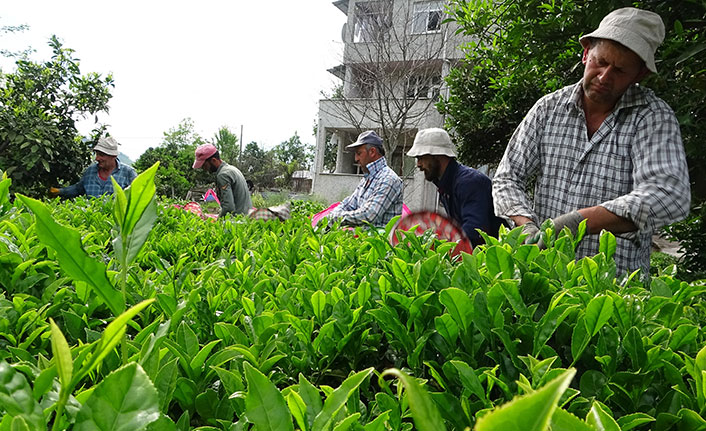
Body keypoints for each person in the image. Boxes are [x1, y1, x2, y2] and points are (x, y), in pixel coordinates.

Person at [492, 7, 690, 275]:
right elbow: (507, 177)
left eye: (620, 70)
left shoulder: (652, 118)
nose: (605, 77)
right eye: (601, 62)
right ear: (586, 53)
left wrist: (580, 221)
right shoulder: (548, 109)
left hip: (613, 292)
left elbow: (668, 195)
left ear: (639, 75)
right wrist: (525, 223)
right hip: (545, 281)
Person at [407, 128, 503, 247]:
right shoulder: (448, 184)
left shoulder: (469, 182)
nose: (418, 165)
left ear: (437, 155)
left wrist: (440, 247)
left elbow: (475, 232)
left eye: (421, 157)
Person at [327, 130, 403, 227]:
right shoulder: (366, 179)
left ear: (372, 152)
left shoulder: (388, 179)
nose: (356, 158)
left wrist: (335, 218)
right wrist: (333, 215)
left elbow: (369, 214)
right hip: (362, 239)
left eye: (359, 153)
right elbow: (348, 204)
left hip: (379, 241)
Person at [49, 136, 137, 198]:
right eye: (97, 154)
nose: (97, 158)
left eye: (101, 155)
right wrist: (60, 191)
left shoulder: (128, 173)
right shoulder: (90, 171)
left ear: (113, 156)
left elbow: (138, 196)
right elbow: (78, 189)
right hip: (92, 220)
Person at [192, 143, 252, 217]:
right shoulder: (232, 169)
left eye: (204, 165)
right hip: (247, 217)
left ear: (213, 160)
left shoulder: (223, 175)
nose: (204, 169)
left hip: (238, 221)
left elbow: (228, 207)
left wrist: (218, 221)